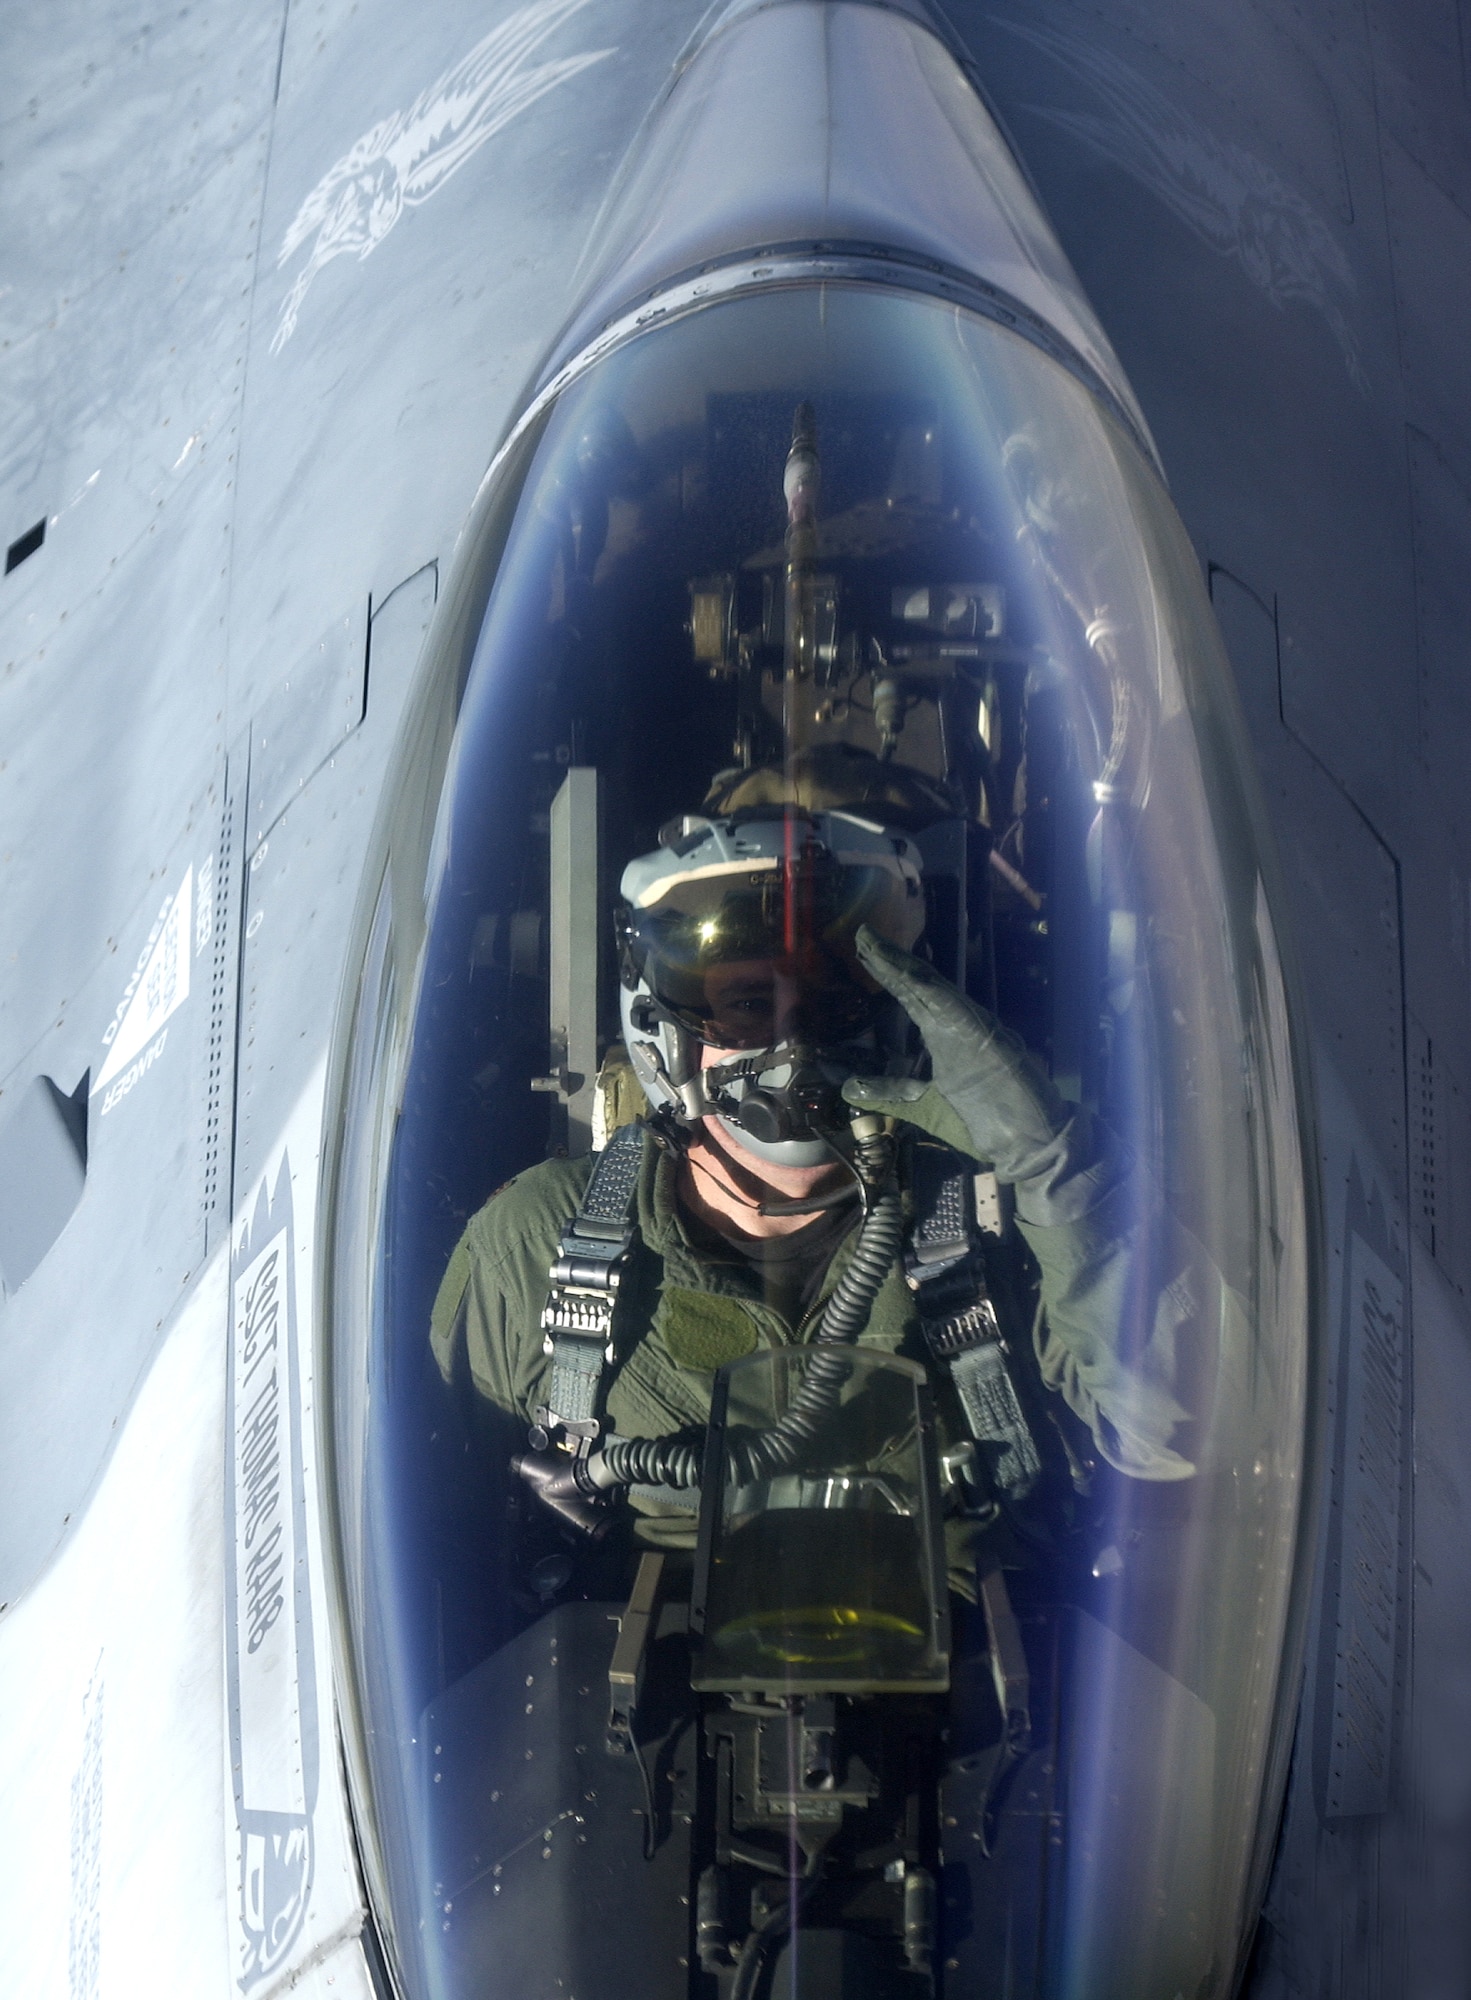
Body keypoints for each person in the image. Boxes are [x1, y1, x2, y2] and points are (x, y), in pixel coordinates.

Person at [430, 804, 1195, 1558]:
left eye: (832, 1002)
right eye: (747, 1006)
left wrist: (1060, 1171)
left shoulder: (1006, 1224)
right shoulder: (532, 1248)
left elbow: (1179, 1432)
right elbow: (444, 1527)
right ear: (666, 1033)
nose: (793, 1041)